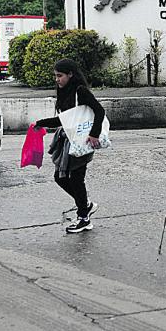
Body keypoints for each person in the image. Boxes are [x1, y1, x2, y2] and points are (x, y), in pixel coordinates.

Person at [33, 59, 106, 234]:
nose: (57, 79)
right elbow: (65, 119)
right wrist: (41, 123)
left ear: (70, 74)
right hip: (68, 140)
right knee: (60, 177)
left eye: (60, 76)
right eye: (55, 76)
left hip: (82, 140)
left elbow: (99, 110)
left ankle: (83, 218)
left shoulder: (80, 91)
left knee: (76, 178)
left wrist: (94, 134)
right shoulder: (63, 91)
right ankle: (85, 205)